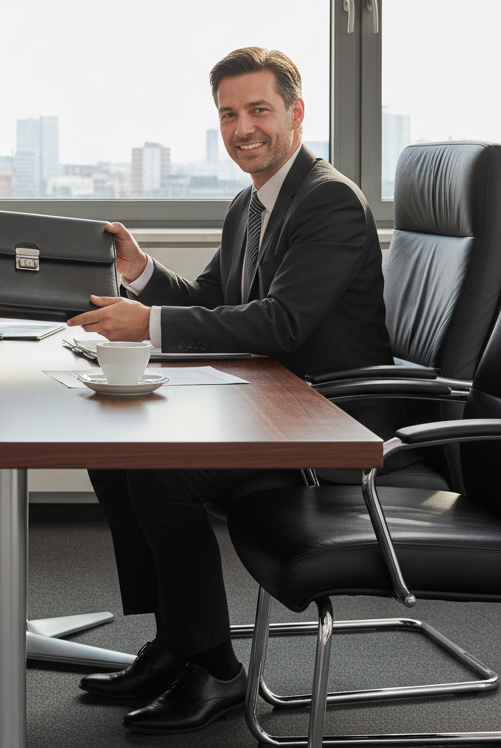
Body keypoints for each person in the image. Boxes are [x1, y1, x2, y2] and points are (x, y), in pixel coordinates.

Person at [67, 46, 392, 735]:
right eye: (228, 114)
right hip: (273, 402)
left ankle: (214, 668)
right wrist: (142, 272)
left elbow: (279, 322)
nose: (243, 127)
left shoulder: (327, 199)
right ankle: (172, 643)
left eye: (258, 110)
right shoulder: (252, 204)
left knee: (162, 476)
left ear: (296, 114)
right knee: (113, 451)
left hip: (328, 420)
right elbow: (215, 299)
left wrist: (147, 324)